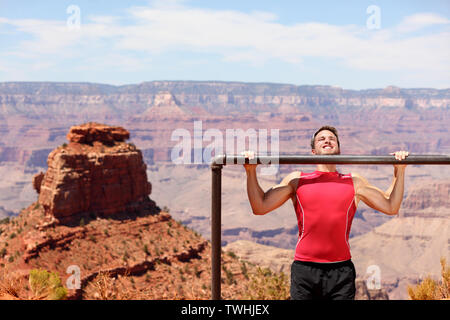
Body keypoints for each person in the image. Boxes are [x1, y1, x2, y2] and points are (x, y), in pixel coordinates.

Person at [243, 125, 409, 300]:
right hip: (304, 270)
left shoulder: (354, 182)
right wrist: (251, 171)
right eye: (321, 139)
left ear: (338, 149)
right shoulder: (297, 180)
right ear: (313, 151)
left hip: (341, 272)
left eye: (332, 138)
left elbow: (391, 206)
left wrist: (399, 170)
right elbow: (260, 207)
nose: (327, 140)